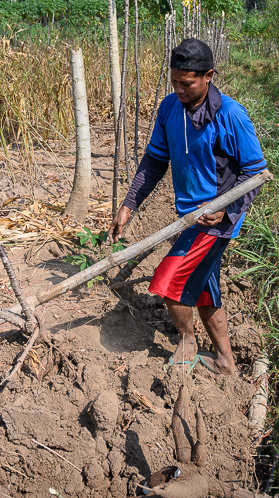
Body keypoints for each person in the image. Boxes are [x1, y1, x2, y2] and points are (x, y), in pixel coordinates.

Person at [109, 38, 268, 375]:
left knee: (168, 282)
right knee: (204, 290)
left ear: (208, 75)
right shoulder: (169, 108)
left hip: (215, 222)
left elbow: (255, 172)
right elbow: (154, 161)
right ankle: (226, 362)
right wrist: (129, 205)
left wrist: (226, 208)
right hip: (188, 217)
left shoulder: (231, 114)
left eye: (187, 83)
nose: (179, 89)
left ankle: (187, 339)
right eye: (174, 81)